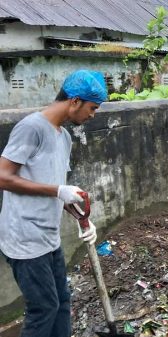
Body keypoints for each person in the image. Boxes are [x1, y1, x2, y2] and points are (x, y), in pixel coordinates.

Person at [0, 70, 105, 337]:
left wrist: (82, 217)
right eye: (92, 108)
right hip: (24, 239)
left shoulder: (64, 137)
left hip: (48, 237)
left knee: (62, 303)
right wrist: (59, 190)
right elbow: (3, 177)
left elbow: (58, 189)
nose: (93, 115)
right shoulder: (31, 127)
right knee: (43, 308)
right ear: (75, 101)